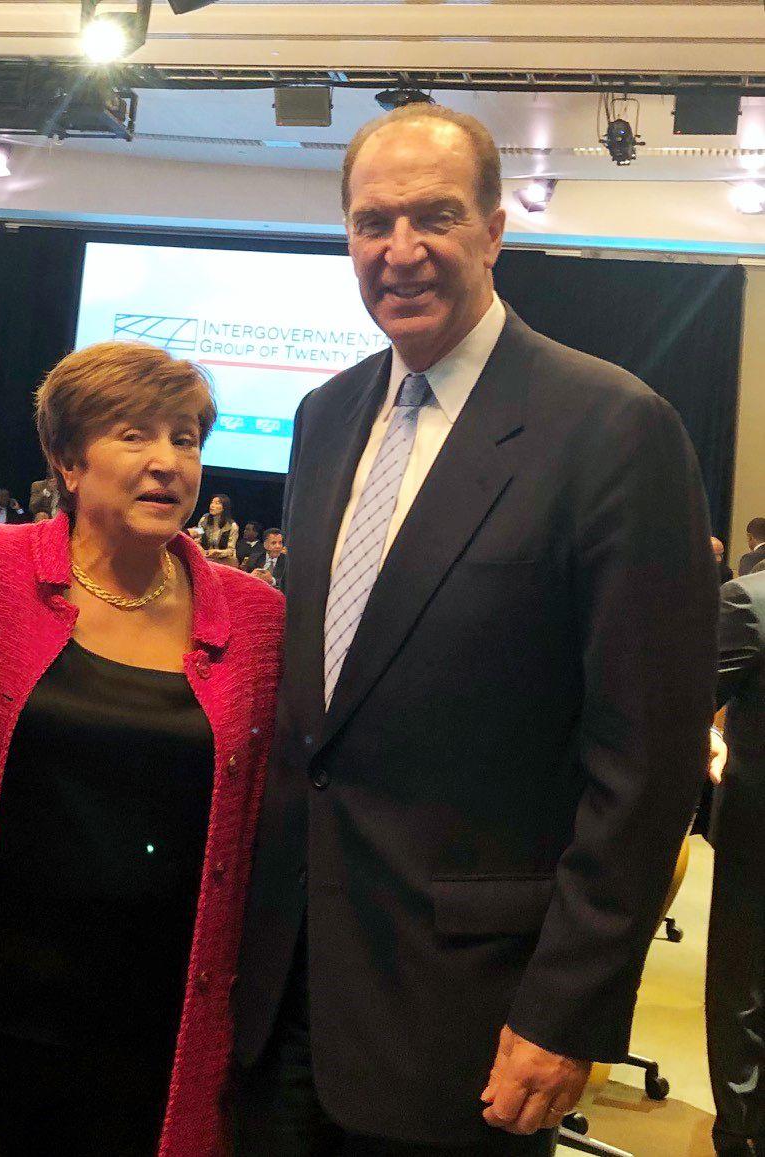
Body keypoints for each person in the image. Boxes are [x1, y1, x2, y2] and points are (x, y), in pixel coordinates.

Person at [234, 103, 716, 1156]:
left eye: (435, 217)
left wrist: (565, 1009)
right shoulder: (323, 416)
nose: (400, 251)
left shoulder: (613, 428)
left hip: (471, 1013)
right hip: (287, 995)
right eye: (372, 223)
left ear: (496, 229)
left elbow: (647, 765)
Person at [0, 340, 285, 1156]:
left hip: (151, 1036)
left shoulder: (253, 621)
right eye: (134, 434)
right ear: (67, 461)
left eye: (185, 438)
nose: (167, 461)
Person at [708, 572, 765, 1157]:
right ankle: (739, 1131)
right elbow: (682, 701)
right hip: (759, 837)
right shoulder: (749, 601)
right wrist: (706, 733)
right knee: (745, 983)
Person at [195, 493, 240, 565]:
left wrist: (217, 552)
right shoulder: (203, 519)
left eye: (217, 503)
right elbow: (197, 538)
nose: (212, 506)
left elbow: (231, 550)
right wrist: (200, 548)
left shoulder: (232, 526)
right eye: (212, 502)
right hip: (204, 557)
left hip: (222, 561)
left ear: (224, 508)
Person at [245, 528, 288, 592]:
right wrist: (251, 576)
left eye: (280, 543)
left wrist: (272, 580)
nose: (278, 546)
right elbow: (245, 579)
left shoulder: (287, 561)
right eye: (274, 543)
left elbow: (288, 583)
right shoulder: (254, 558)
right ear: (265, 545)